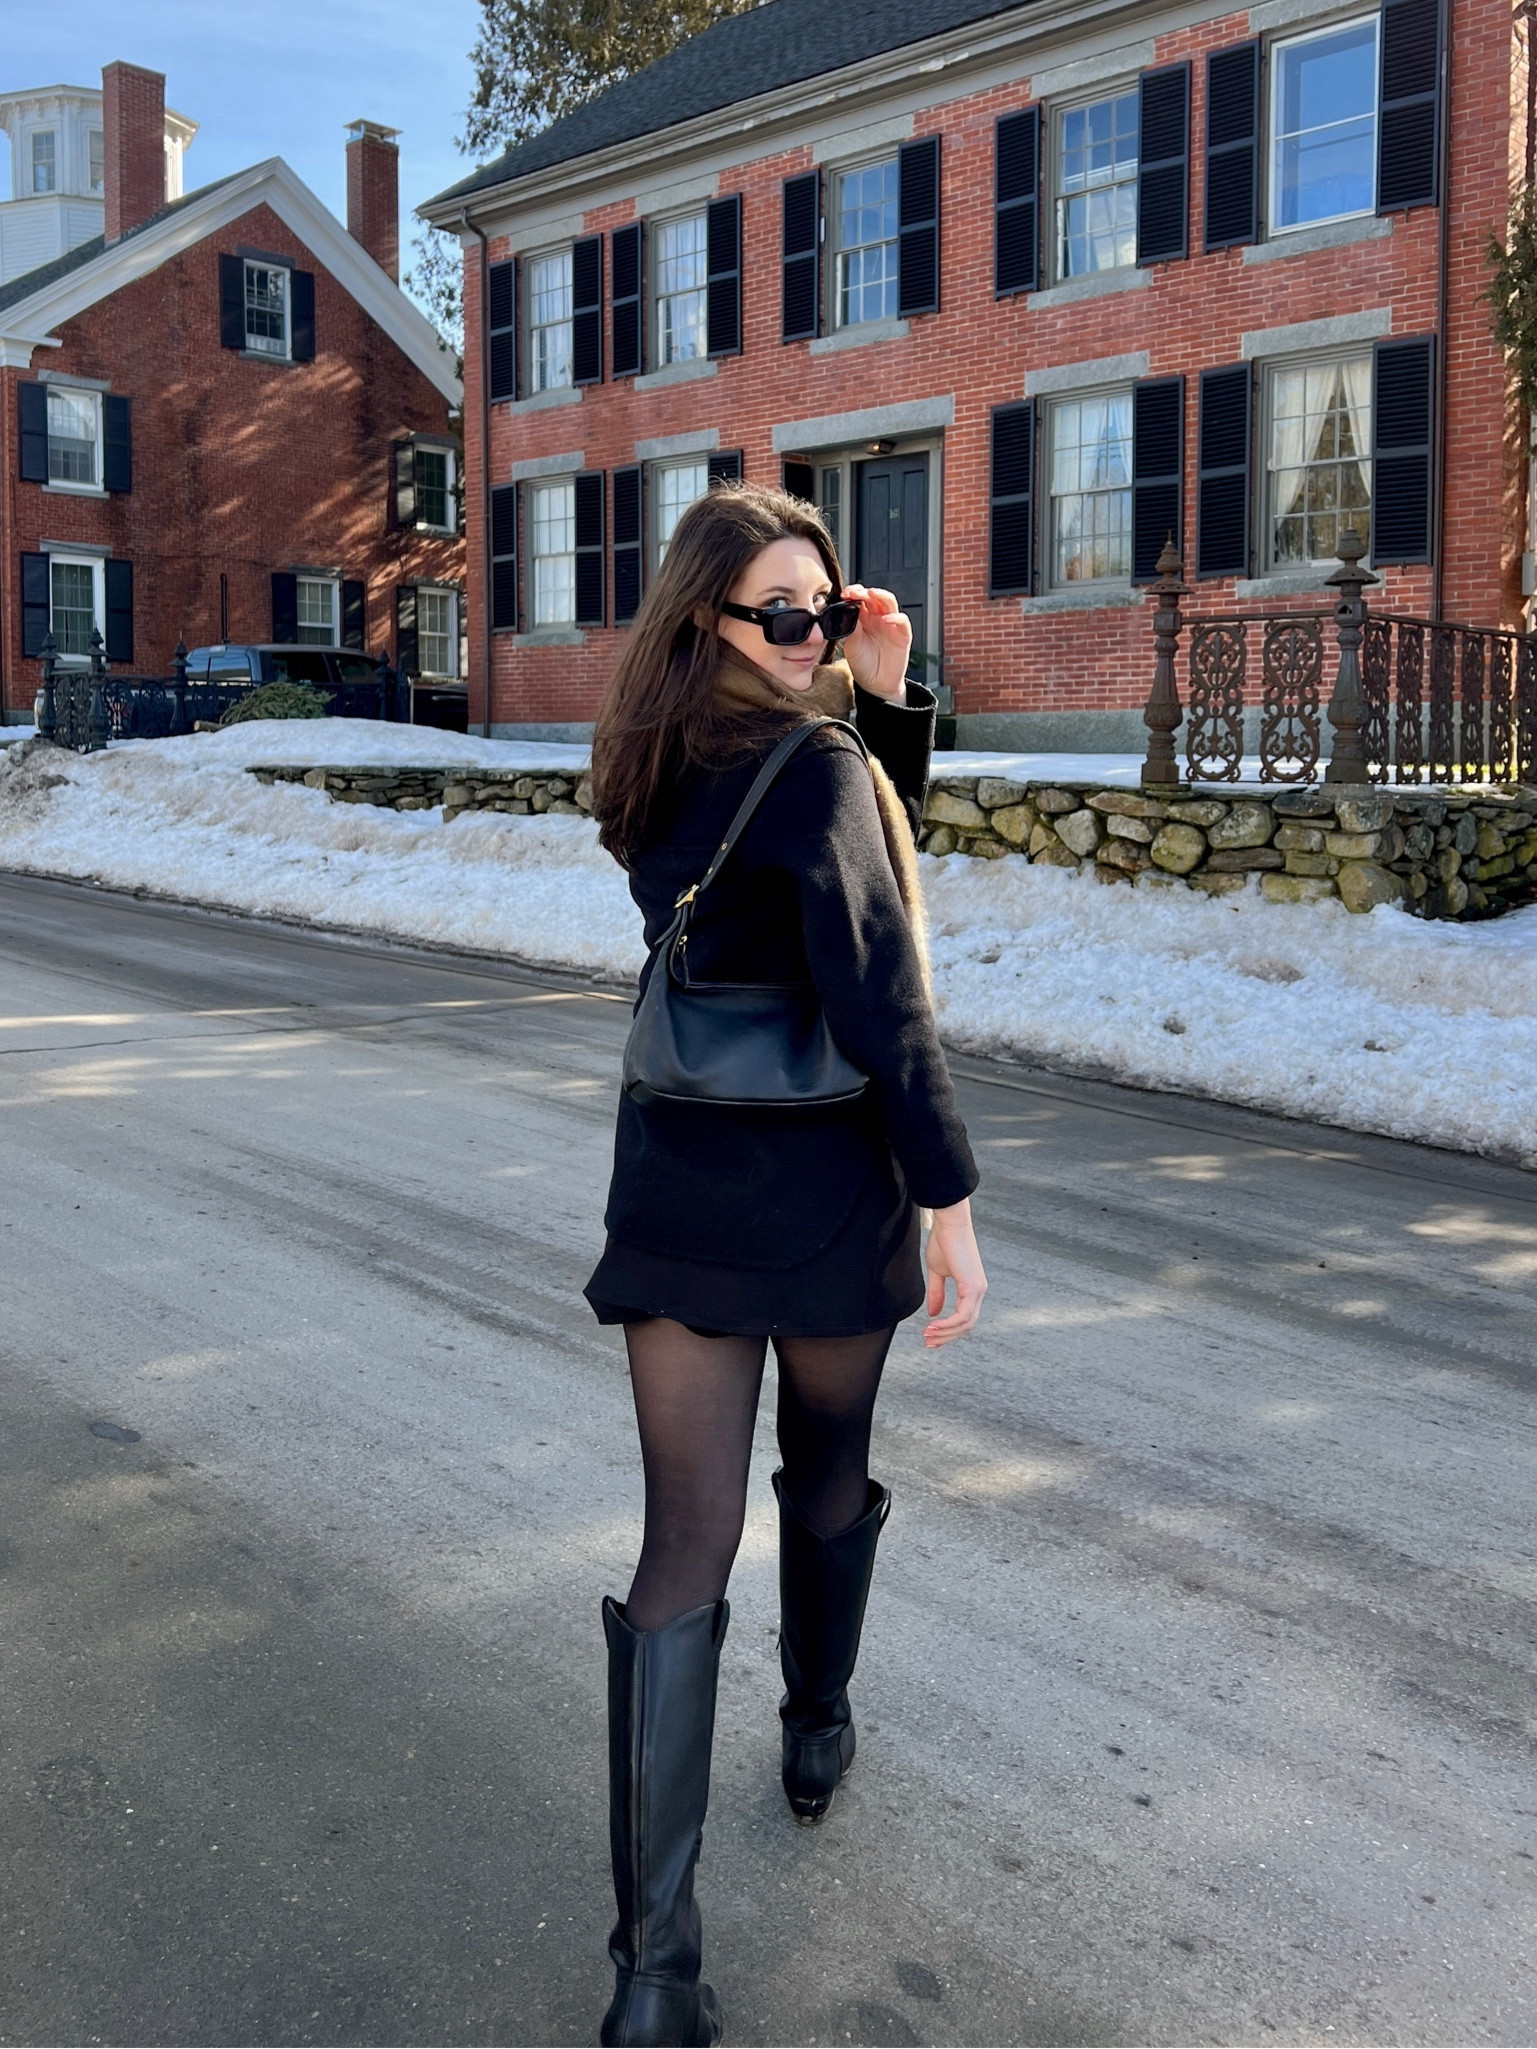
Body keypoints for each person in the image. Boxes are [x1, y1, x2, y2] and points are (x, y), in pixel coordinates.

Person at [585, 480, 986, 2047]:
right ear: (713, 616)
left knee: (680, 1543)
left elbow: (820, 889)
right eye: (785, 614)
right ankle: (814, 1724)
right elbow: (879, 980)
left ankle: (652, 1973)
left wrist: (865, 710)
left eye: (824, 606)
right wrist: (949, 1199)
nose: (813, 631)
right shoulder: (812, 767)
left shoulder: (648, 753)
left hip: (681, 1181)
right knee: (823, 1473)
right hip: (823, 1181)